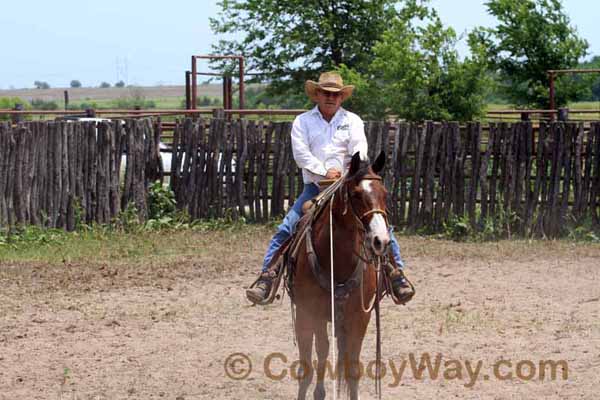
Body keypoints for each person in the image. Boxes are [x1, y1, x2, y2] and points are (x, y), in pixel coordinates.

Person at [246, 72, 414, 305]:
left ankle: (396, 275)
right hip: (315, 187)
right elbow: (301, 154)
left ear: (341, 97)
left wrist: (348, 172)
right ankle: (268, 276)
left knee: (379, 225)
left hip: (348, 187)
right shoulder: (302, 122)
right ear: (317, 94)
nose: (331, 98)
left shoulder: (352, 121)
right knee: (288, 226)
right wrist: (324, 170)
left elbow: (359, 149)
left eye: (335, 94)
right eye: (326, 93)